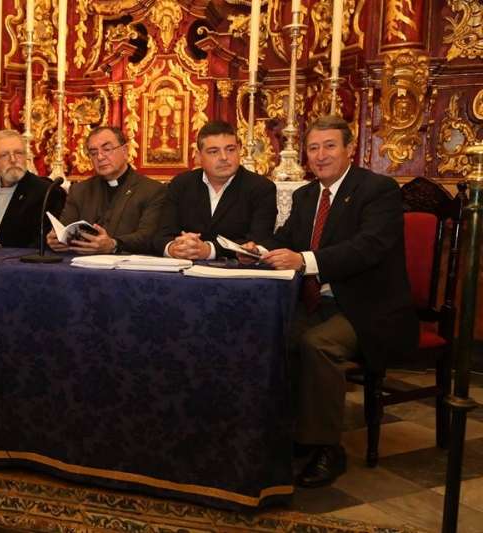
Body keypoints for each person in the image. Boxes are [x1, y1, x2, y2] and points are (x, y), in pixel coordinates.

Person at [242, 115, 418, 487]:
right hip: (315, 302)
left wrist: (304, 261)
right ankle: (287, 433)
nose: (320, 155)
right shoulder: (306, 195)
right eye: (313, 148)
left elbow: (368, 247)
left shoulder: (378, 189)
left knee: (317, 344)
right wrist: (257, 249)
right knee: (268, 334)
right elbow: (284, 239)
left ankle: (326, 448)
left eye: (329, 146)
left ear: (350, 148)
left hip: (367, 307)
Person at [153, 121, 277, 259]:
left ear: (239, 149)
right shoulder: (181, 184)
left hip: (232, 269)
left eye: (230, 149)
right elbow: (161, 235)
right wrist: (174, 248)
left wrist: (209, 250)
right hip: (184, 267)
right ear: (198, 156)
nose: (224, 157)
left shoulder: (261, 188)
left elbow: (260, 241)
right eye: (214, 151)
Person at [47, 126, 165, 254]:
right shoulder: (79, 190)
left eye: (107, 149)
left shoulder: (152, 190)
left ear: (125, 151)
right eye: (93, 153)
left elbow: (148, 237)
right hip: (82, 262)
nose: (100, 157)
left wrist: (113, 244)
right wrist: (56, 239)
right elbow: (64, 229)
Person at [0, 130, 65, 247]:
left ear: (26, 157)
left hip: (21, 258)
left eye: (18, 153)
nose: (13, 160)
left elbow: (44, 243)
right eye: (5, 155)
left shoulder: (46, 193)